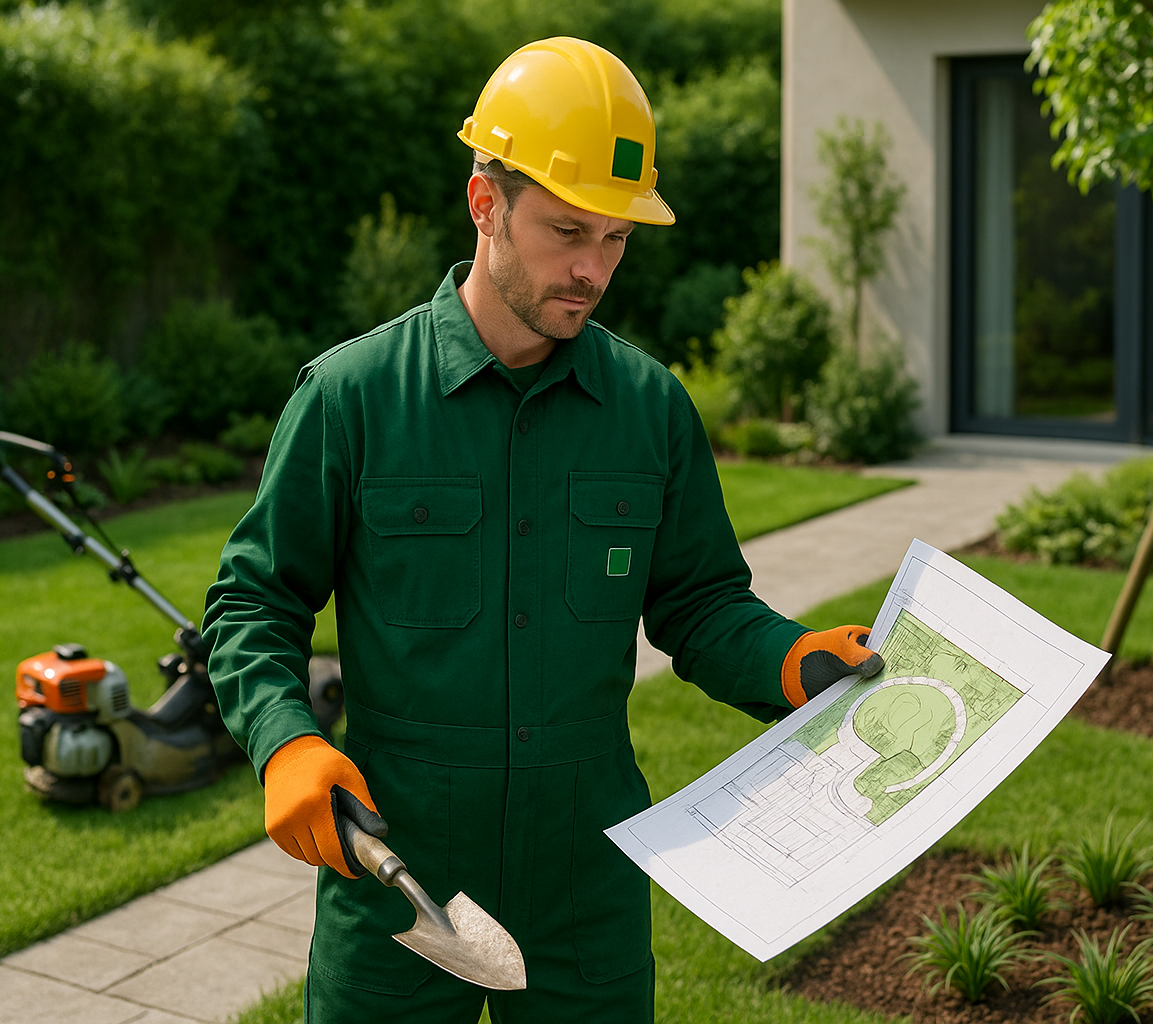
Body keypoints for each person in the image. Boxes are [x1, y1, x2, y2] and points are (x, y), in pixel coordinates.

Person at [203, 36, 883, 1023]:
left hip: (586, 884)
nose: (592, 269)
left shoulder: (649, 408)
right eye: (568, 231)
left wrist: (793, 661)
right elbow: (252, 600)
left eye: (615, 240)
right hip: (399, 880)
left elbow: (698, 604)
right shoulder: (352, 399)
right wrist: (286, 743)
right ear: (486, 203)